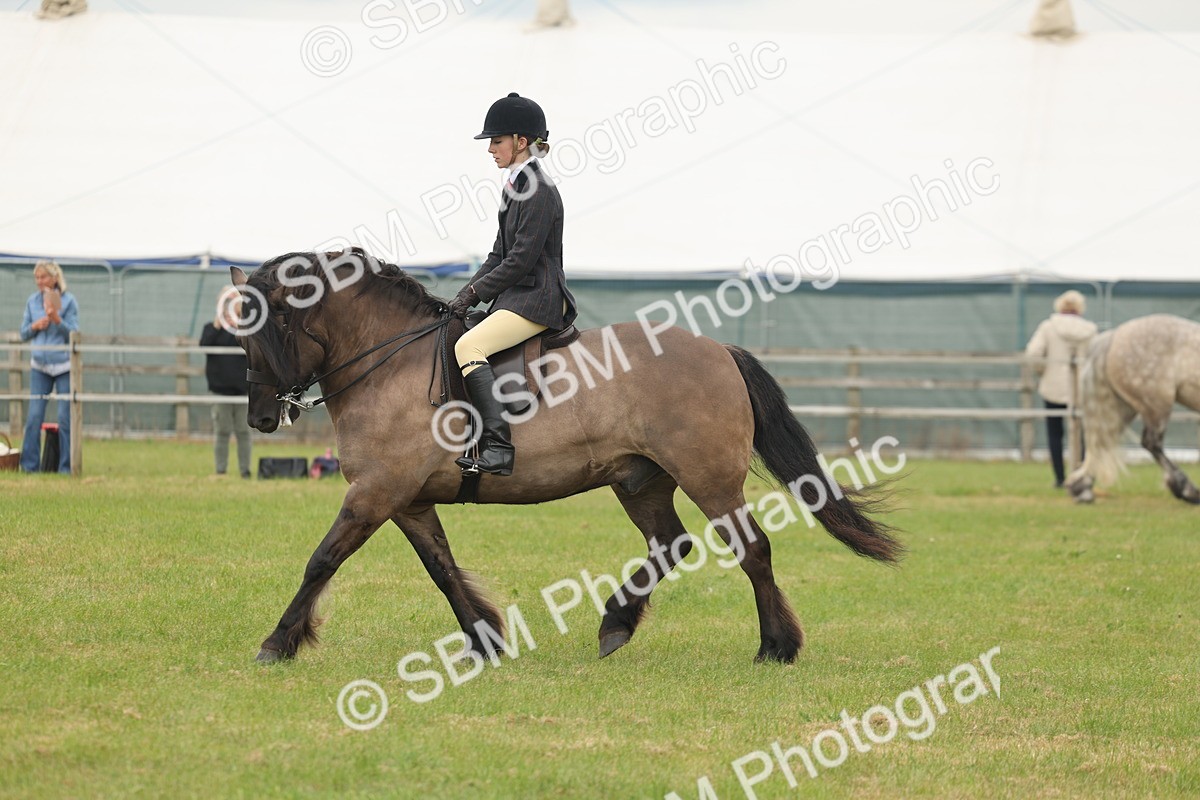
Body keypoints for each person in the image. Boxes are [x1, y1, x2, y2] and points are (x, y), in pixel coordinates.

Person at [446, 92, 577, 476]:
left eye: (497, 140)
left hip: (537, 300)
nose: (490, 148)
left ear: (521, 142)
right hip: (516, 297)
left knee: (468, 345)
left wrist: (475, 294)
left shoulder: (538, 190)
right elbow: (497, 254)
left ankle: (499, 447)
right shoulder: (514, 186)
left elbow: (520, 261)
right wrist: (463, 296)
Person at [1025, 290, 1097, 487]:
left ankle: (1059, 478)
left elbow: (1033, 353)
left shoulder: (1048, 327)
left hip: (1053, 387)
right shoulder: (1089, 330)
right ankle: (1082, 475)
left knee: (1055, 433)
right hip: (1082, 388)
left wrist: (1043, 372)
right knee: (1083, 434)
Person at [19, 260, 79, 473]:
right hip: (40, 367)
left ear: (54, 278)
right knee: (34, 416)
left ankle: (66, 468)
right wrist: (34, 326)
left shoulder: (69, 301)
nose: (40, 281)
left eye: (43, 277)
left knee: (65, 418)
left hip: (63, 366)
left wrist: (56, 320)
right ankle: (29, 467)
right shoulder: (32, 302)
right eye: (37, 277)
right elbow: (23, 333)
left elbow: (74, 334)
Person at [201, 290, 252, 478]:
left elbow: (250, 344)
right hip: (220, 391)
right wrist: (218, 321)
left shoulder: (245, 329)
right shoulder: (211, 328)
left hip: (242, 391)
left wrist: (239, 319)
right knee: (222, 432)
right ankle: (220, 470)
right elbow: (205, 345)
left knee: (243, 432)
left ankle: (245, 470)